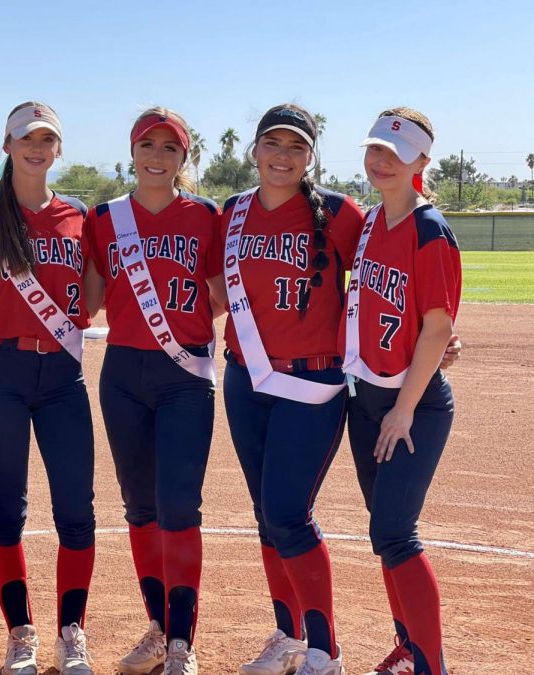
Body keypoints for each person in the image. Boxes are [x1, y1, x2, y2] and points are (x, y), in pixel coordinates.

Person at [215, 104, 364, 675]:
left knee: (288, 513)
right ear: (254, 151)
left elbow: (383, 281)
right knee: (265, 514)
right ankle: (287, 635)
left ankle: (325, 649)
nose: (283, 156)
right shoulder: (231, 213)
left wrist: (436, 337)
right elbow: (208, 292)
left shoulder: (339, 213)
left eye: (296, 147)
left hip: (312, 381)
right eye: (272, 144)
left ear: (310, 157)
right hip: (245, 377)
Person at [0, 101, 96, 675]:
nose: (37, 148)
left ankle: (72, 634)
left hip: (63, 375)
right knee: (5, 509)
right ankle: (21, 636)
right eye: (26, 139)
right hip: (1, 375)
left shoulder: (80, 215)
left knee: (77, 513)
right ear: (7, 145)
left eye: (47, 139)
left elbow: (90, 296)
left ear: (59, 149)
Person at [84, 106, 223, 675]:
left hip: (183, 377)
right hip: (122, 376)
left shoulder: (207, 217)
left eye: (170, 148)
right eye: (149, 145)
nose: (157, 157)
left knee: (178, 508)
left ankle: (182, 645)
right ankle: (160, 629)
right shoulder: (103, 219)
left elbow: (222, 296)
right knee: (140, 508)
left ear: (183, 158)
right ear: (132, 152)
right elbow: (87, 298)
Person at [343, 108, 461, 675]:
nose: (381, 161)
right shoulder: (369, 222)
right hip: (366, 399)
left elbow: (438, 328)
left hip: (411, 406)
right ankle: (409, 648)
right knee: (383, 531)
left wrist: (404, 412)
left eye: (395, 152)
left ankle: (431, 664)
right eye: (375, 150)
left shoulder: (429, 228)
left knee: (394, 531)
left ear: (421, 161)